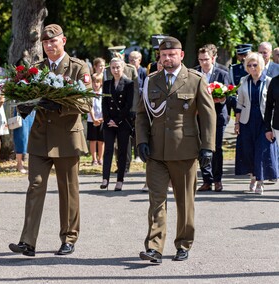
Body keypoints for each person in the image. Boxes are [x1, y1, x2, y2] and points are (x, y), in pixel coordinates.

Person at [9, 24, 92, 257]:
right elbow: (26, 94)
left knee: (68, 190)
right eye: (45, 43)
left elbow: (86, 103)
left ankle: (68, 238)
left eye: (53, 41)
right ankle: (27, 241)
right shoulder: (36, 69)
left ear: (63, 41)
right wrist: (24, 106)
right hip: (40, 138)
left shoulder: (77, 67)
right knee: (35, 186)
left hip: (66, 138)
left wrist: (60, 105)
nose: (49, 46)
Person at [136, 36, 216, 263]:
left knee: (185, 200)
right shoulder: (151, 81)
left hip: (185, 150)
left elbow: (208, 117)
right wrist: (141, 140)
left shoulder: (195, 80)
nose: (168, 58)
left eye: (172, 55)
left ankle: (183, 243)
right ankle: (154, 247)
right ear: (159, 57)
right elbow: (141, 115)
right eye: (164, 55)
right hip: (156, 151)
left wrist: (208, 147)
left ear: (181, 55)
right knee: (156, 200)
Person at [234, 52, 278, 195]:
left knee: (262, 151)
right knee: (249, 150)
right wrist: (236, 123)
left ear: (261, 65)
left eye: (255, 65)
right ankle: (253, 177)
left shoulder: (269, 81)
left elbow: (272, 104)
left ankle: (260, 181)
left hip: (264, 121)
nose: (252, 68)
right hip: (247, 121)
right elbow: (239, 103)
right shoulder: (243, 80)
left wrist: (272, 124)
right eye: (249, 65)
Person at [196, 46, 230, 192]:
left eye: (206, 59)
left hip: (218, 116)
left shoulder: (222, 73)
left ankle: (217, 179)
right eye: (201, 60)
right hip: (199, 116)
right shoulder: (194, 73)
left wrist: (221, 98)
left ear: (213, 59)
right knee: (202, 148)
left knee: (215, 148)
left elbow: (229, 94)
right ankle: (206, 180)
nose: (204, 63)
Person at [100, 57, 134, 191]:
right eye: (113, 67)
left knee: (122, 151)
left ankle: (120, 180)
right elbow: (104, 103)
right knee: (108, 150)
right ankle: (105, 178)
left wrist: (118, 120)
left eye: (118, 67)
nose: (115, 70)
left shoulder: (128, 83)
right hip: (109, 122)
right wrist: (108, 120)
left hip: (122, 121)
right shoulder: (107, 83)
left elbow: (128, 104)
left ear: (123, 67)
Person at [87, 73, 104, 166]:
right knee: (93, 140)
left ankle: (100, 158)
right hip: (92, 120)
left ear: (101, 83)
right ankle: (94, 159)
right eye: (94, 82)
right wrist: (94, 119)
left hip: (102, 120)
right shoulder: (90, 93)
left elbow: (105, 107)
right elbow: (90, 107)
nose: (96, 84)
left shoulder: (103, 93)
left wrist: (102, 119)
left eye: (98, 82)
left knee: (101, 140)